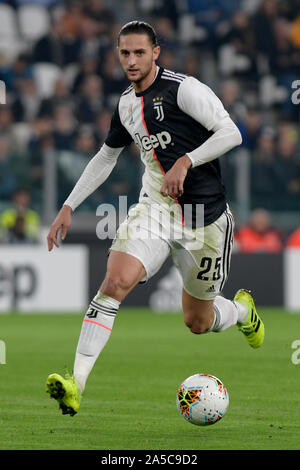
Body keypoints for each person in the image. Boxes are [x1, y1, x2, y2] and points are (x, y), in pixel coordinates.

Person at [45, 21, 265, 416]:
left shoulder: (186, 89)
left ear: (156, 53)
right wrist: (69, 205)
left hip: (205, 218)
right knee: (114, 282)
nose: (131, 61)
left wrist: (186, 160)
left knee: (197, 322)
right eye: (124, 53)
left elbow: (231, 132)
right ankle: (75, 383)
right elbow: (106, 156)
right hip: (156, 210)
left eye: (139, 53)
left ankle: (242, 312)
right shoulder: (126, 105)